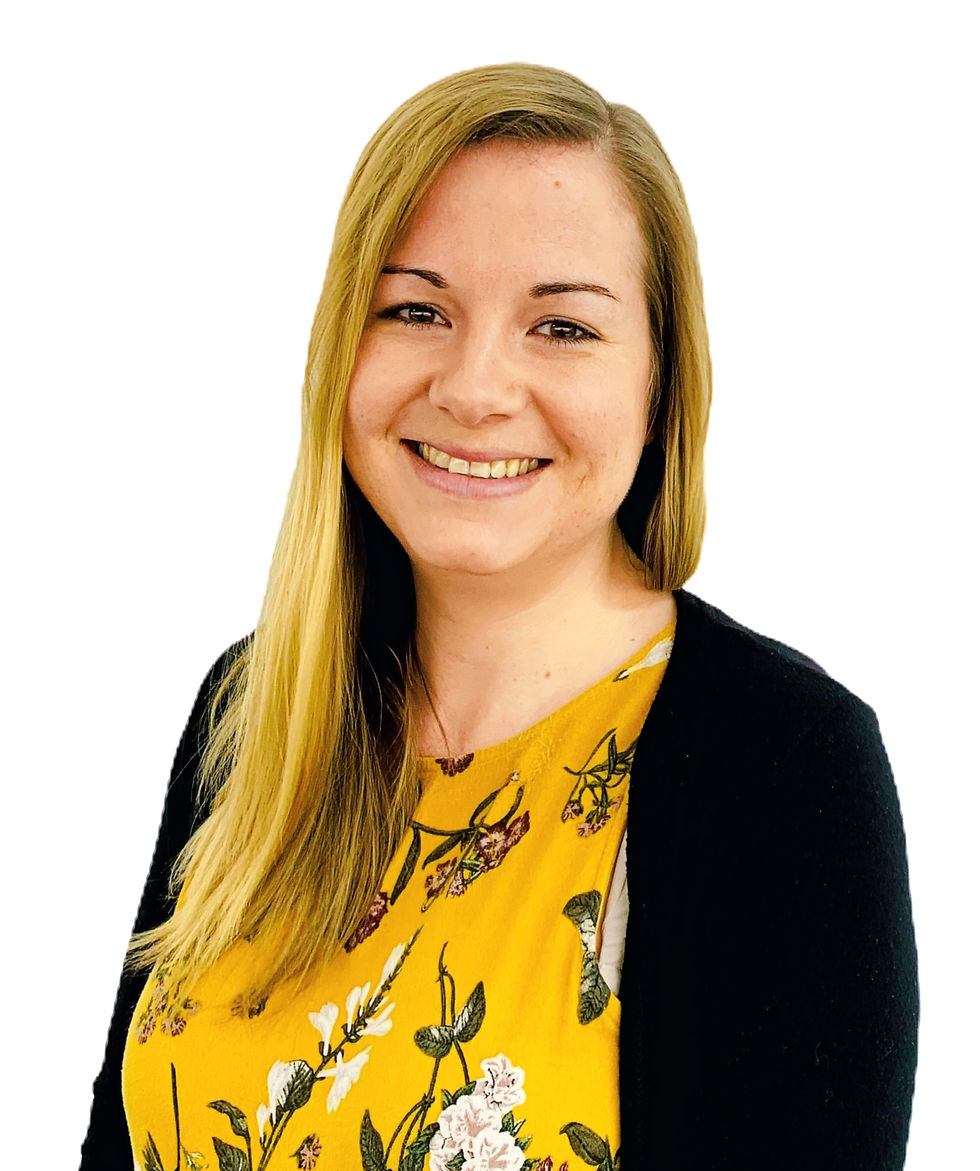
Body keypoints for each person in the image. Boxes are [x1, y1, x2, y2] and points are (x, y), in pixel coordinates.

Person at [80, 63, 918, 1170]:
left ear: (662, 383)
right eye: (415, 309)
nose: (474, 388)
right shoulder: (257, 706)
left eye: (561, 328)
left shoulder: (780, 760)